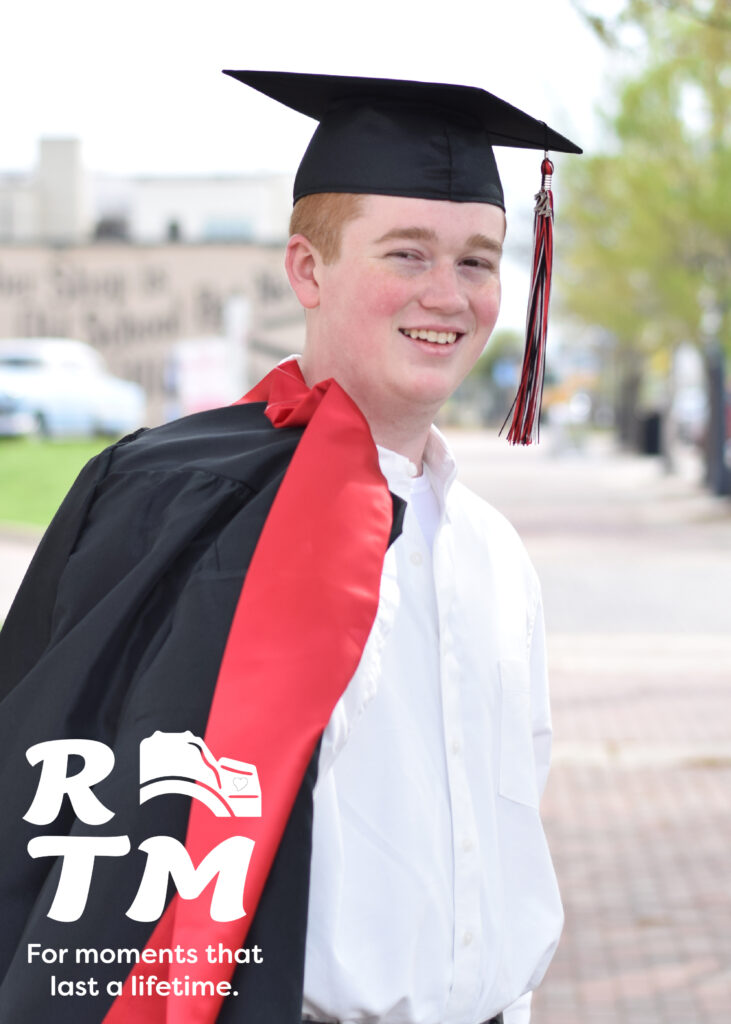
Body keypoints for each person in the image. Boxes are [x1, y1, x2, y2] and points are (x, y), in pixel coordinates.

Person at [0, 72, 581, 1024]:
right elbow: (71, 816)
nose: (449, 294)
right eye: (407, 253)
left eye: (478, 261)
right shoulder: (175, 504)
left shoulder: (491, 552)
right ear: (306, 271)